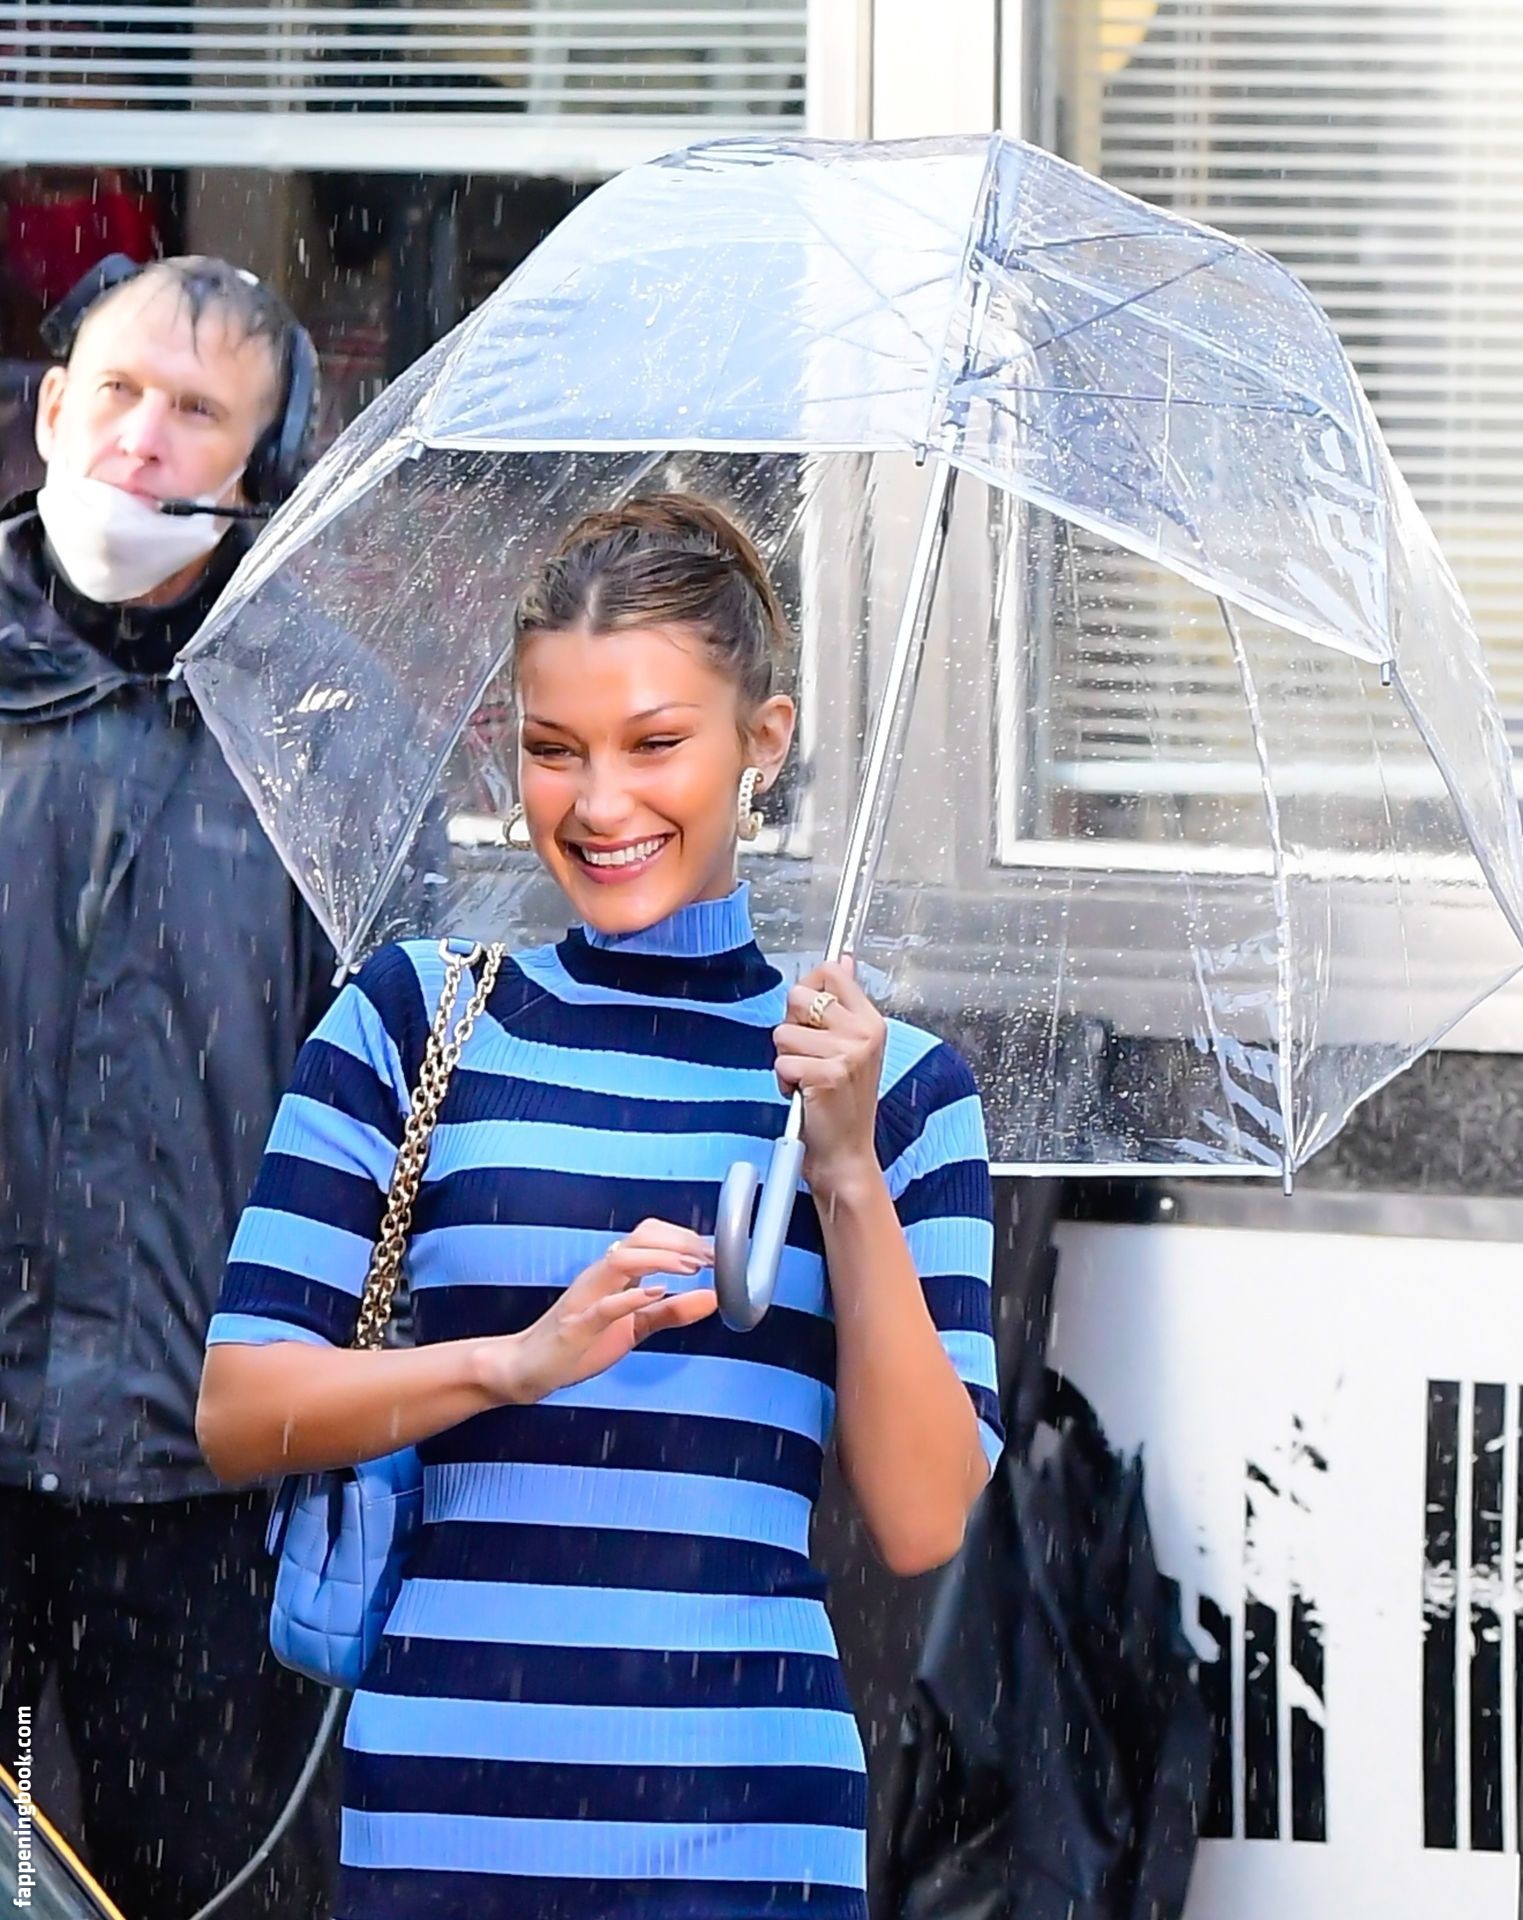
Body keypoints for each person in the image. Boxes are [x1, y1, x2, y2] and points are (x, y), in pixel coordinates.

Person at [196, 493, 1004, 1920]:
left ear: (764, 740)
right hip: (446, 1816)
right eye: (554, 748)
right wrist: (508, 1365)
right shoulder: (413, 1019)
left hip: (749, 1830)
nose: (599, 804)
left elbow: (926, 1515)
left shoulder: (898, 1088)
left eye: (655, 743)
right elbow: (241, 1409)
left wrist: (845, 1173)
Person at [0, 254, 336, 1918]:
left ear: (259, 472)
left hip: (208, 1472)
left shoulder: (317, 731)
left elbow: (378, 1085)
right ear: (51, 409)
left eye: (197, 411)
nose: (141, 437)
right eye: (117, 390)